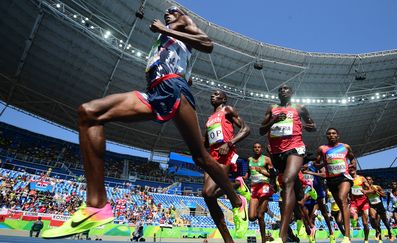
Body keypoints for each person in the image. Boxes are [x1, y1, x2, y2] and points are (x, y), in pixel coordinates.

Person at [42, 6, 246, 238]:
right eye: (167, 11)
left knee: (201, 157)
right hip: (154, 92)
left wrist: (165, 29)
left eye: (173, 10)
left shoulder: (183, 23)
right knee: (89, 114)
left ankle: (237, 200)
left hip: (174, 88)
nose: (168, 13)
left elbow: (207, 44)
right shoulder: (165, 37)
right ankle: (96, 204)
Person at [260, 85, 316, 243]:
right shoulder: (272, 108)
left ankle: (282, 236)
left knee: (286, 182)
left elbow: (312, 126)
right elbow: (261, 130)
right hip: (277, 153)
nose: (283, 91)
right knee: (288, 188)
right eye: (280, 90)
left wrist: (311, 127)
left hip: (295, 149)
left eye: (286, 89)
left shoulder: (299, 108)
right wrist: (272, 121)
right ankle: (293, 230)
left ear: (292, 93)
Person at [203, 90, 250, 241]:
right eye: (212, 94)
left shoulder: (227, 110)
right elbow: (206, 142)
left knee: (209, 192)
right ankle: (228, 240)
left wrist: (229, 143)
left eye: (216, 94)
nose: (212, 96)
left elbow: (246, 129)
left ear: (223, 99)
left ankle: (238, 199)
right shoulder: (209, 119)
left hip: (225, 153)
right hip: (212, 156)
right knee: (207, 195)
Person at [314, 127, 356, 243]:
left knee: (343, 200)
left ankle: (346, 237)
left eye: (333, 133)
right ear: (326, 136)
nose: (331, 135)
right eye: (329, 134)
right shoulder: (322, 149)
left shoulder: (345, 147)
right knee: (341, 206)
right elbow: (316, 164)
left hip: (344, 177)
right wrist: (322, 163)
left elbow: (352, 158)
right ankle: (348, 236)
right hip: (331, 180)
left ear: (338, 135)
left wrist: (353, 165)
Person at [247, 142, 275, 243]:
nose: (257, 149)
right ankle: (265, 208)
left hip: (264, 187)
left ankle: (263, 240)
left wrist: (262, 171)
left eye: (259, 147)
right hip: (254, 189)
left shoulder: (267, 159)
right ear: (253, 149)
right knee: (251, 217)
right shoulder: (249, 159)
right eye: (255, 147)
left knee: (260, 215)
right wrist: (243, 177)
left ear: (261, 149)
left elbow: (273, 175)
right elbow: (248, 172)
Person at [303, 161, 336, 243]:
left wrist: (310, 172)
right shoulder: (297, 166)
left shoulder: (313, 165)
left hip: (318, 195)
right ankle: (311, 238)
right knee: (306, 219)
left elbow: (324, 175)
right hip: (306, 195)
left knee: (323, 214)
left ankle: (331, 233)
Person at [365, 176, 394, 242]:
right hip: (372, 206)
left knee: (385, 222)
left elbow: (384, 196)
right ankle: (378, 234)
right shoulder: (365, 188)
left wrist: (377, 191)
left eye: (369, 180)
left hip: (379, 205)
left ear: (372, 181)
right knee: (374, 219)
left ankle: (389, 232)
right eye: (366, 180)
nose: (368, 181)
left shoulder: (377, 187)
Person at [349, 167, 371, 243]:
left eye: (352, 169)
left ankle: (366, 239)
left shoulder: (361, 178)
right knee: (352, 215)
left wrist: (365, 191)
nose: (351, 170)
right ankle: (354, 224)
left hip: (363, 201)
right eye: (349, 169)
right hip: (354, 202)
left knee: (365, 223)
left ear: (355, 170)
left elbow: (370, 189)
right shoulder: (348, 179)